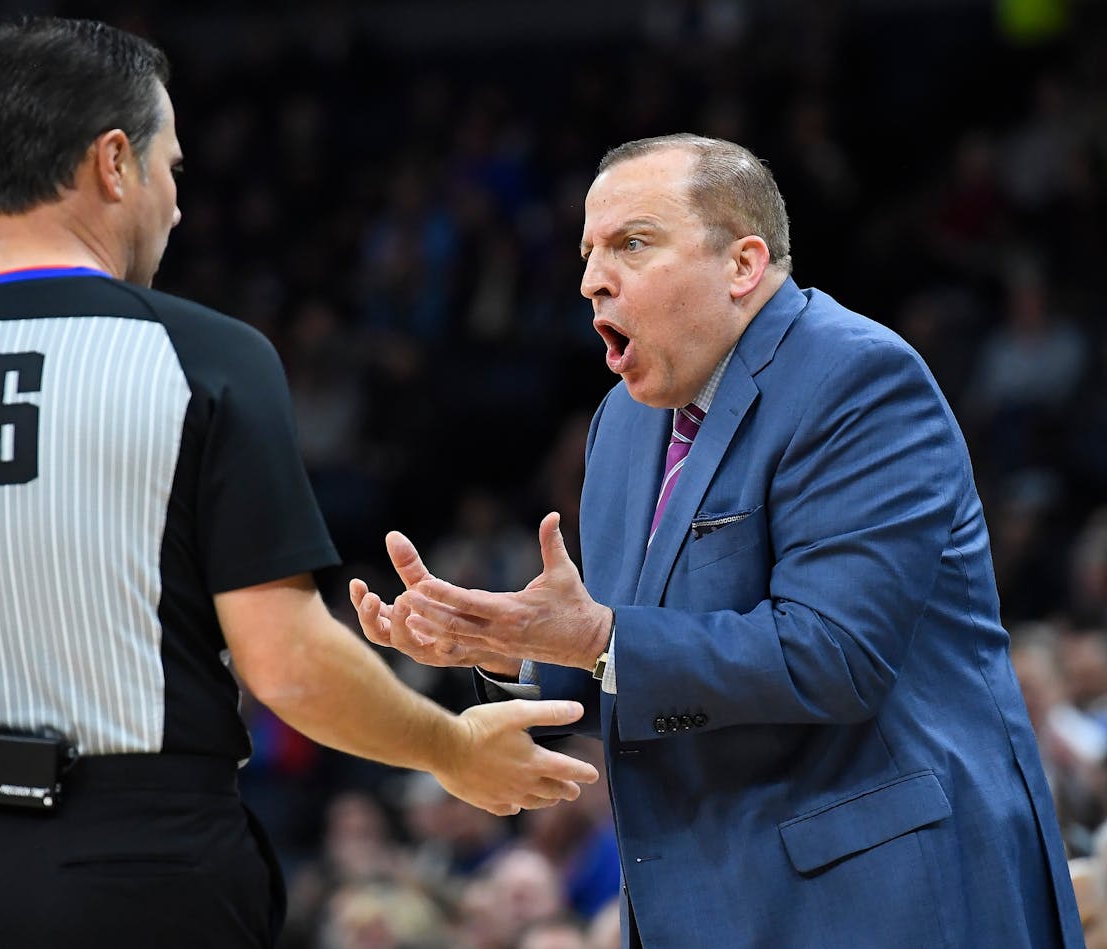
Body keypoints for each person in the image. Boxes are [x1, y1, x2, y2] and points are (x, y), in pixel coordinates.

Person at [0, 17, 598, 949]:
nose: (178, 205)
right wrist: (450, 746)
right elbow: (289, 665)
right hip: (140, 868)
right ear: (115, 163)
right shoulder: (205, 356)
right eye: (171, 169)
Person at [352, 134, 1085, 947]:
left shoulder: (859, 379)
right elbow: (658, 674)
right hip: (702, 905)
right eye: (589, 251)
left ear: (742, 265)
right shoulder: (620, 426)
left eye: (632, 243)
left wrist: (599, 636)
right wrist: (514, 648)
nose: (593, 277)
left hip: (886, 901)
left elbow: (833, 657)